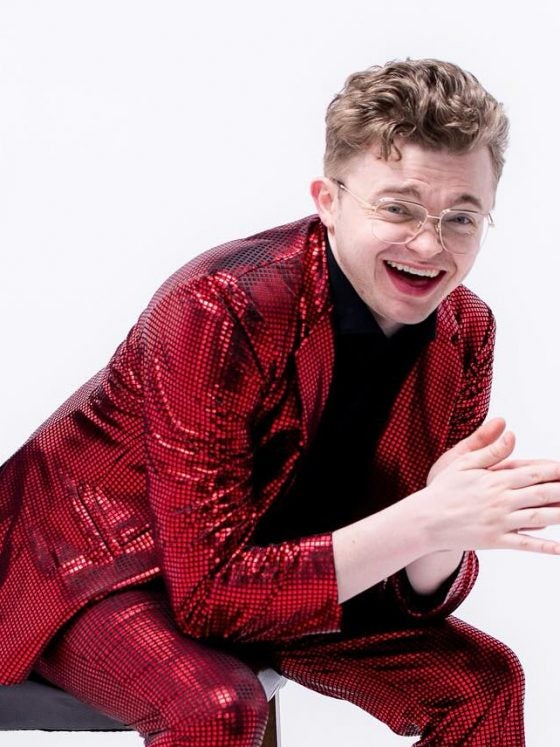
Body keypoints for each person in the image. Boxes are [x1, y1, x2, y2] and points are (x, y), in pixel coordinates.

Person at [1, 58, 560, 747]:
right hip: (102, 567)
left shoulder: (465, 329)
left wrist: (447, 525)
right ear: (328, 201)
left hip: (283, 572)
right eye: (398, 208)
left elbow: (410, 586)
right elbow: (207, 597)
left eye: (462, 218)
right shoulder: (219, 305)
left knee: (485, 684)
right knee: (218, 705)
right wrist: (424, 520)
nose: (428, 244)